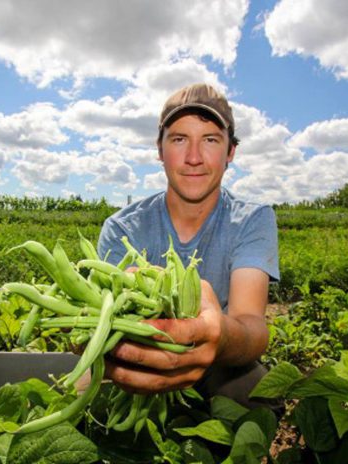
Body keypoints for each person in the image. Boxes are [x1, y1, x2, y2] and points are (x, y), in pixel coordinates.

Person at [97, 83, 280, 410]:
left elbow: (252, 326)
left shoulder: (251, 219)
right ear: (160, 149)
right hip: (139, 357)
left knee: (255, 392)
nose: (193, 158)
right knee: (96, 392)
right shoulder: (123, 228)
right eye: (179, 139)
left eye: (210, 140)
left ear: (230, 152)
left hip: (216, 361)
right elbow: (108, 327)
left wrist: (217, 334)